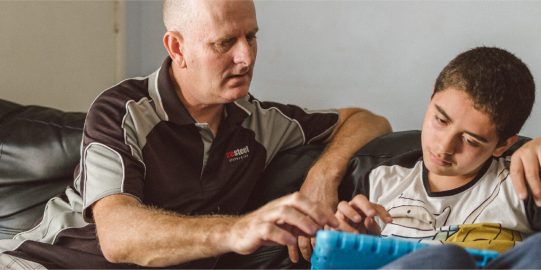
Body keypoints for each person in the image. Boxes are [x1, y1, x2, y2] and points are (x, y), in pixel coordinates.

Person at [0, 0, 393, 269]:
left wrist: (320, 180)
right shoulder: (124, 110)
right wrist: (239, 229)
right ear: (177, 47)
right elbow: (118, 237)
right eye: (225, 42)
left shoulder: (258, 122)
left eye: (251, 36)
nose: (247, 57)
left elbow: (367, 120)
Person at [334, 46, 541, 268]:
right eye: (441, 120)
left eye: (470, 141)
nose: (444, 147)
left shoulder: (519, 183)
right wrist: (354, 247)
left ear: (503, 145)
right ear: (431, 95)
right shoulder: (378, 179)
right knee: (444, 259)